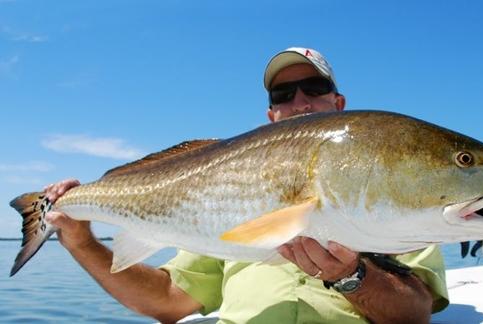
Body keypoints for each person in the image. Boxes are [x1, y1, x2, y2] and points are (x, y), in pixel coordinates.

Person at [44, 47, 449, 323]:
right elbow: (166, 301)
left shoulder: (403, 202)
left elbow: (414, 314)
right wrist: (82, 241)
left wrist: (353, 275)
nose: (300, 102)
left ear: (338, 103)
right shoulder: (222, 190)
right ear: (271, 114)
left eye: (314, 88)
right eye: (284, 94)